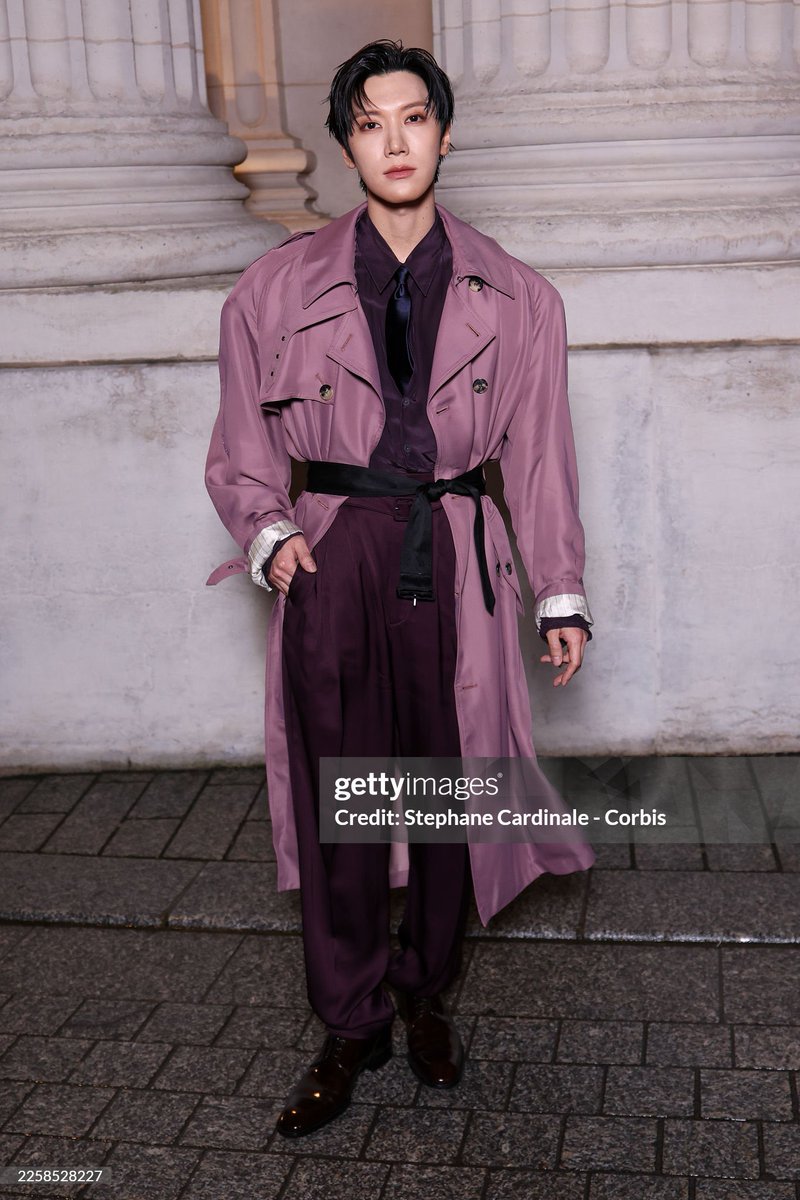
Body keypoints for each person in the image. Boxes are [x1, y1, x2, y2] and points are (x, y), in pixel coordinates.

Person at [205, 39, 595, 1139]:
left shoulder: (518, 295)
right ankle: (348, 1019)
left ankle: (423, 993)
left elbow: (542, 456)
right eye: (369, 122)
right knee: (342, 797)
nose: (392, 140)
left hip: (456, 546)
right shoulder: (271, 287)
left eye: (412, 117)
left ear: (443, 132)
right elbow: (237, 445)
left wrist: (556, 591)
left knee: (440, 791)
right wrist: (269, 529)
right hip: (333, 554)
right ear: (343, 142)